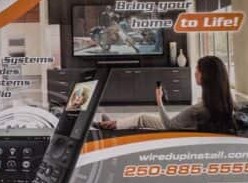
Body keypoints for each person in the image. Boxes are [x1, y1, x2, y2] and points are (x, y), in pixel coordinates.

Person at [97, 55, 238, 133]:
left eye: (197, 70)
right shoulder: (226, 103)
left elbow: (169, 125)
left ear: (206, 76)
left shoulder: (196, 110)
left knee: (141, 118)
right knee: (142, 118)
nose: (195, 73)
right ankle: (114, 124)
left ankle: (111, 126)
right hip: (185, 127)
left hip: (175, 130)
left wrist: (159, 101)